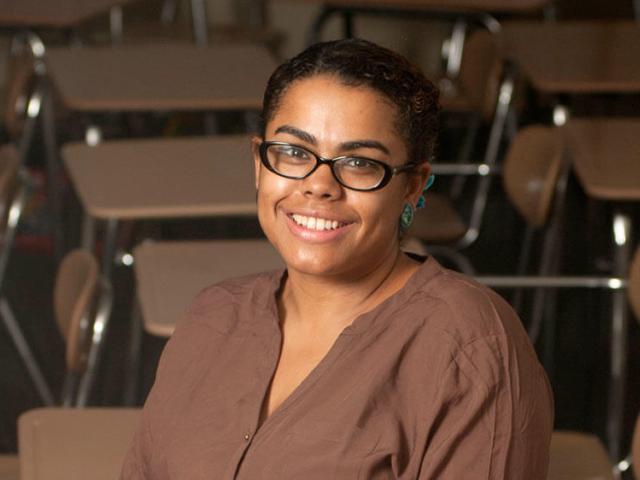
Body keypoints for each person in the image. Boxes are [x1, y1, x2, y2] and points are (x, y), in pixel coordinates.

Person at [121, 39, 553, 479]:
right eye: (292, 153)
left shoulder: (470, 350)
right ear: (259, 164)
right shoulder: (211, 317)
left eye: (359, 163)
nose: (319, 185)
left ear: (413, 186)